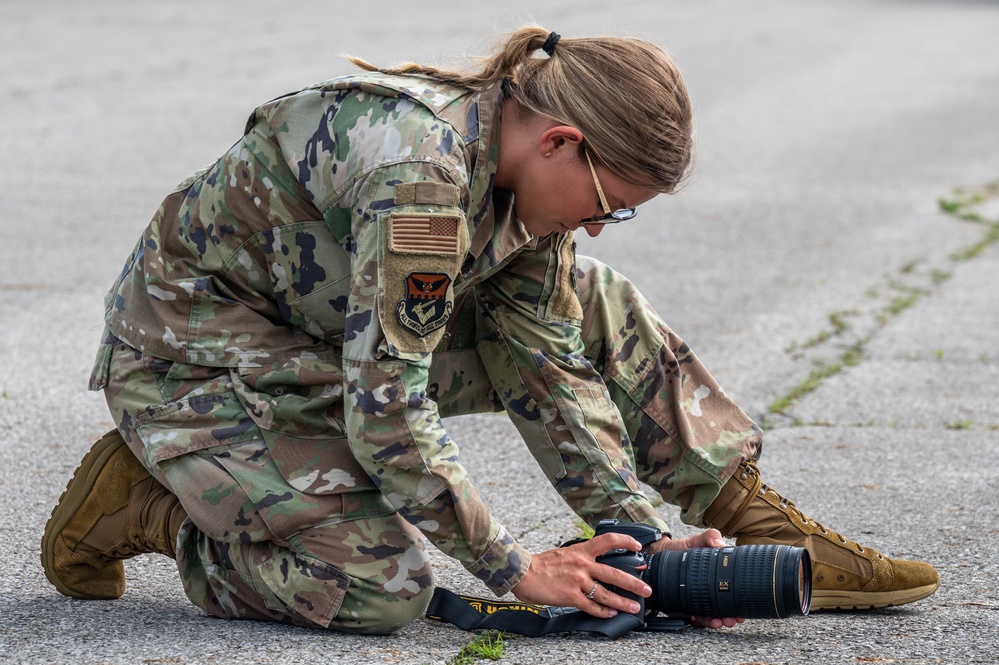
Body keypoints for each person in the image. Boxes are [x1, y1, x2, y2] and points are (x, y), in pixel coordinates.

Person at [41, 27, 938, 634]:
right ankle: (154, 501)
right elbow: (386, 409)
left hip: (318, 347)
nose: (593, 225)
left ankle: (743, 514)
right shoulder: (420, 177)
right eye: (606, 204)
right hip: (195, 368)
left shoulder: (516, 175)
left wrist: (632, 541)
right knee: (380, 589)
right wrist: (514, 567)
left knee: (596, 297)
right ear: (559, 141)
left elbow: (545, 360)